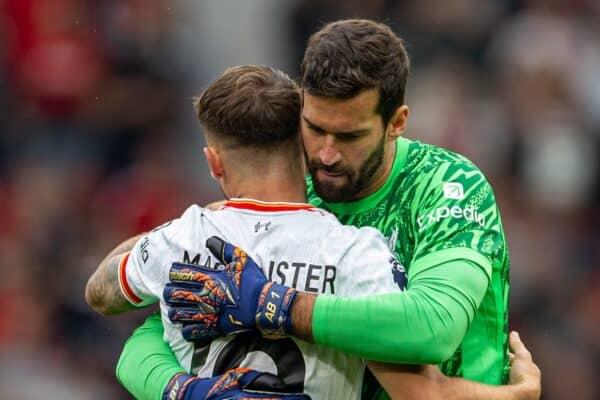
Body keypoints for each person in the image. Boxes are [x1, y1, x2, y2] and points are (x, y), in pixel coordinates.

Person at [89, 20, 541, 399]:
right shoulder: (298, 194)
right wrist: (183, 388)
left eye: (348, 137)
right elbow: (152, 329)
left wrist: (275, 304)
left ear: (396, 123)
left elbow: (432, 327)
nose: (325, 154)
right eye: (315, 128)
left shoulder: (447, 188)